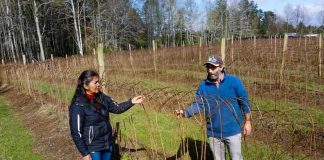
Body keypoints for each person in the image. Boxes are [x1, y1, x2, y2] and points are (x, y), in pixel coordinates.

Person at [175, 54, 252, 160]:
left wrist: (248, 121)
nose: (210, 71)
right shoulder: (203, 86)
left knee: (236, 158)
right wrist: (185, 112)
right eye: (208, 67)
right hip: (214, 133)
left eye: (213, 67)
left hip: (232, 131)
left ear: (221, 67)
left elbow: (244, 101)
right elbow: (198, 104)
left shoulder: (234, 81)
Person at [69, 70, 144, 160]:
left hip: (107, 144)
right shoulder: (78, 105)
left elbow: (117, 108)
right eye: (95, 82)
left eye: (98, 82)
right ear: (86, 86)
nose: (98, 85)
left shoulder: (102, 97)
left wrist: (131, 102)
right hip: (93, 147)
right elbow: (76, 132)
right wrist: (85, 153)